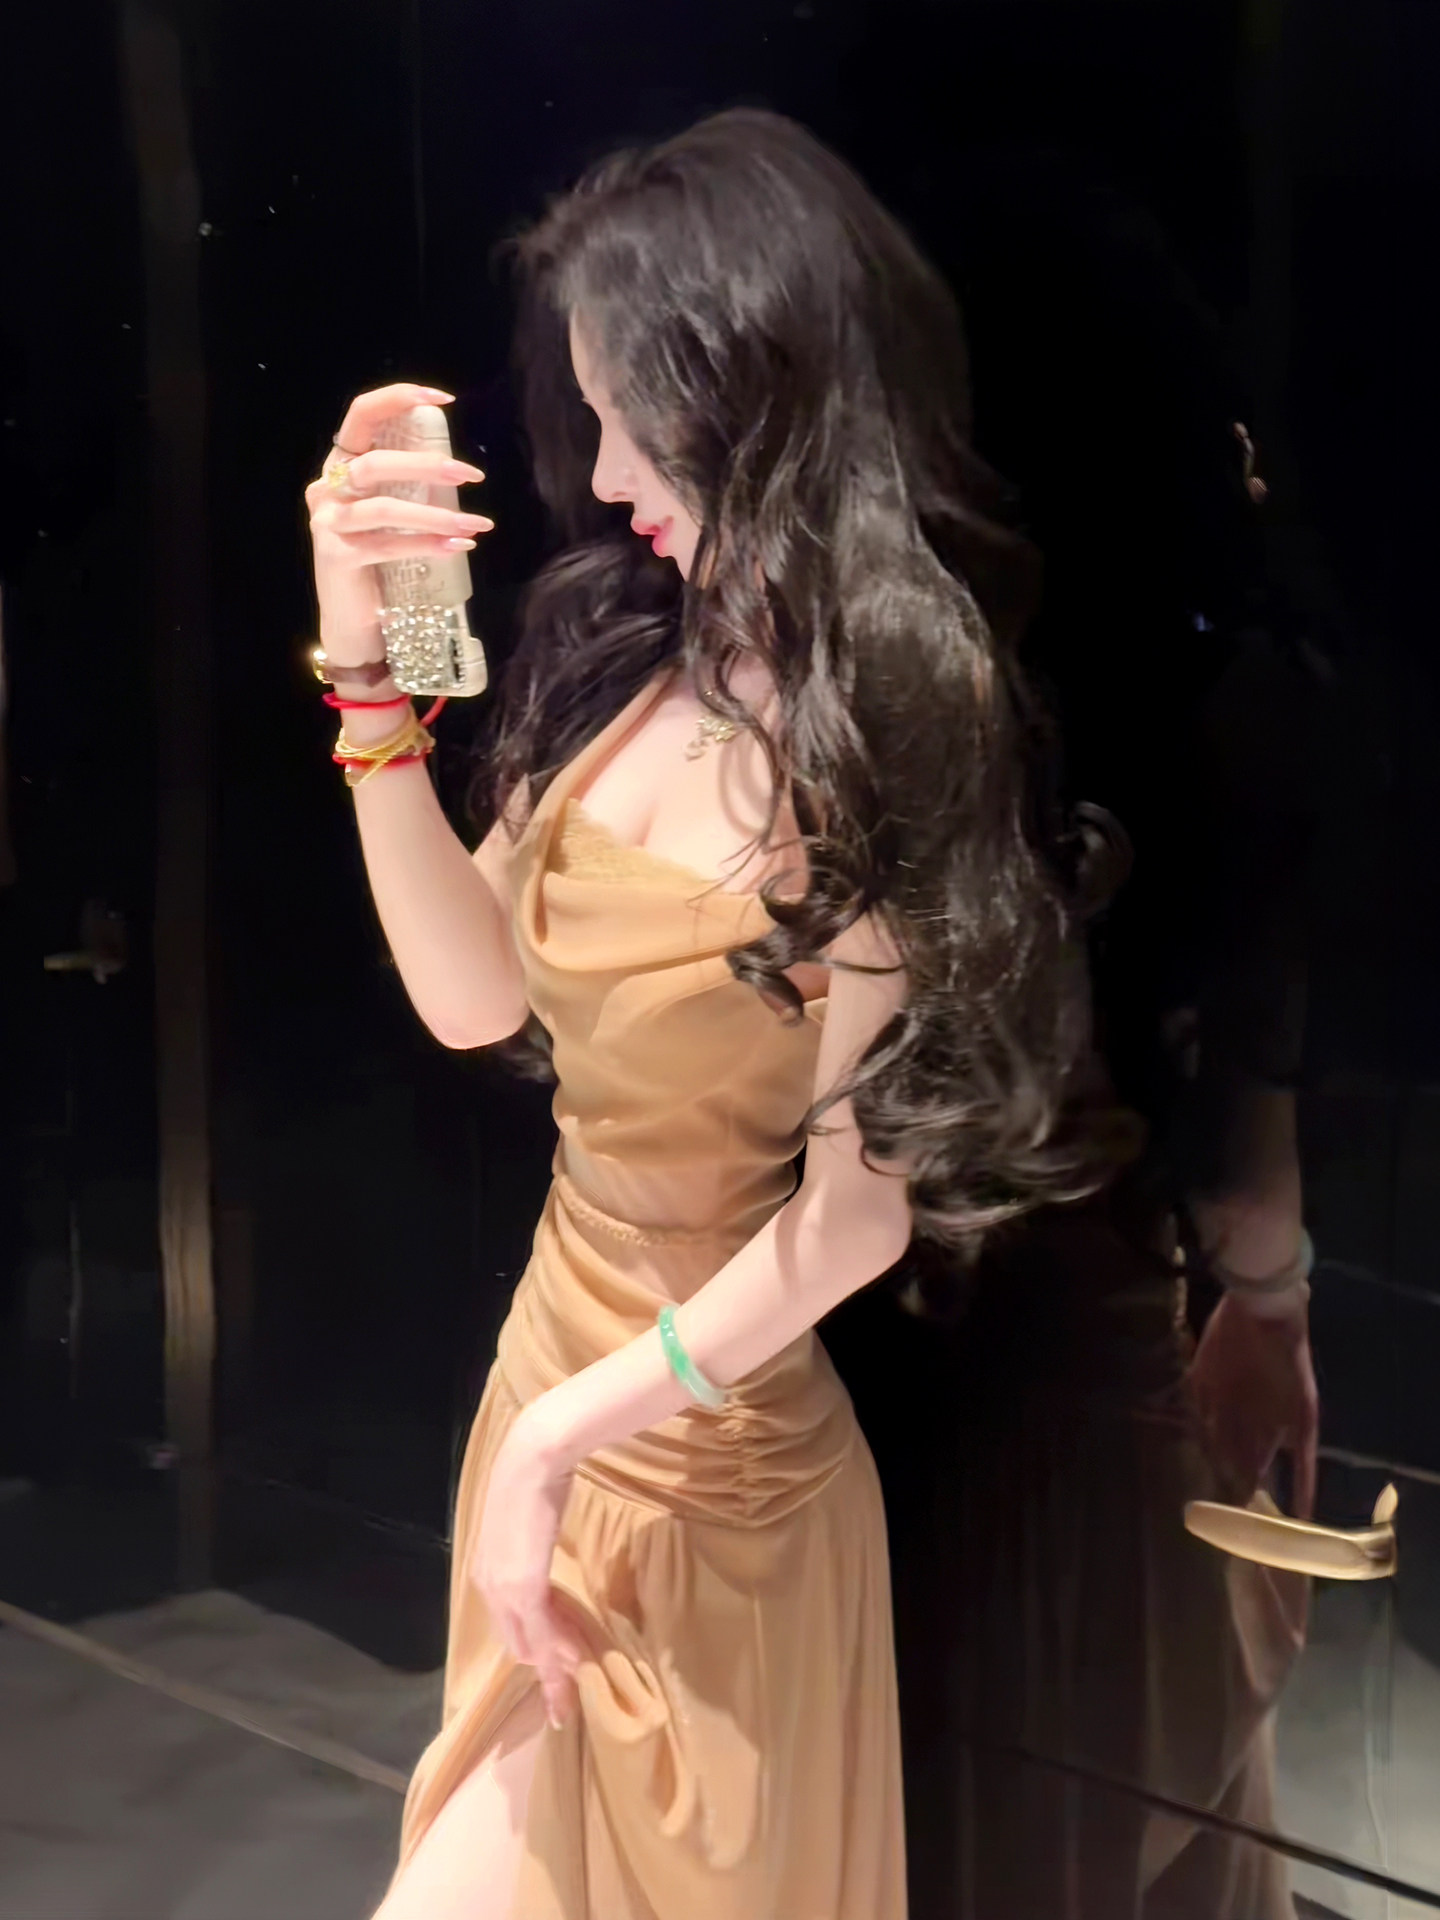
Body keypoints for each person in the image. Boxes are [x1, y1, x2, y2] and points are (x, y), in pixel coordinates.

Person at [304, 110, 1103, 1920]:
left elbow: (857, 1219)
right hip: (553, 1379)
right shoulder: (620, 650)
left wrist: (562, 1436)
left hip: (714, 1470)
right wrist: (372, 656)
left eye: (630, 419)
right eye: (585, 418)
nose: (600, 479)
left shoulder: (892, 721)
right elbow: (468, 997)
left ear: (753, 393)